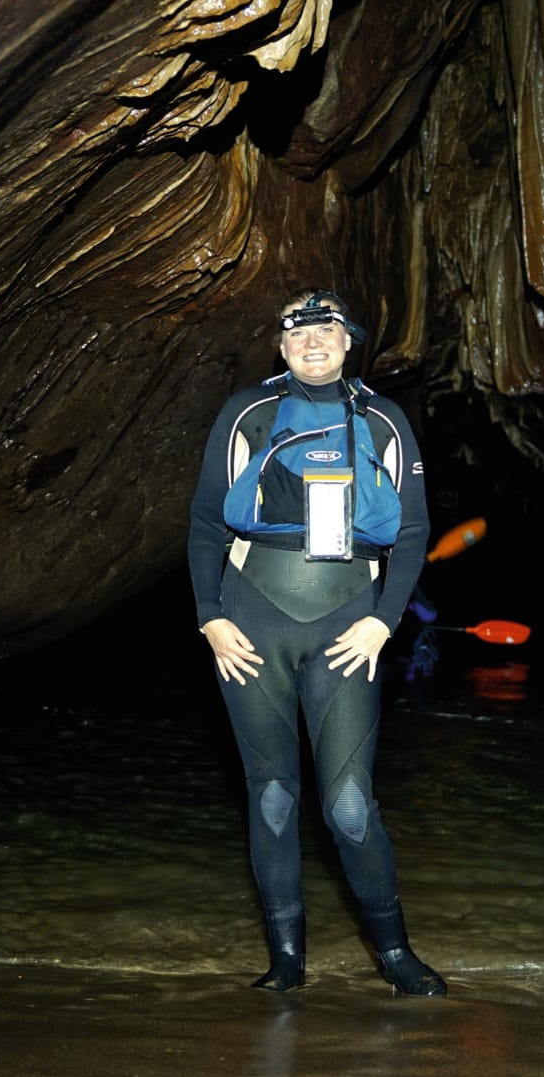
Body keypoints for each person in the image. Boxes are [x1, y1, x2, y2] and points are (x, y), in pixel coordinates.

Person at [186, 287, 446, 996]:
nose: (312, 339)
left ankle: (395, 955)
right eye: (297, 330)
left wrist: (383, 620)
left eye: (325, 328)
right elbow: (207, 521)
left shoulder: (385, 420)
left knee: (350, 806)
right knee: (272, 797)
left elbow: (414, 531)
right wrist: (210, 616)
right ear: (281, 344)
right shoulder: (246, 413)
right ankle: (286, 960)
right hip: (250, 623)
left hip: (348, 626)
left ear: (347, 342)